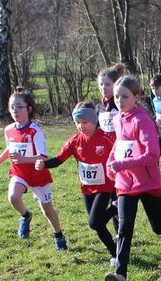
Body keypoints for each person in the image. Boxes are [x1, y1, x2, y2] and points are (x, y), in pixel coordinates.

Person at [105, 75, 161, 281]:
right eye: (117, 97)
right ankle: (120, 277)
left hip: (147, 182)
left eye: (125, 97)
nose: (119, 101)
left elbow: (152, 155)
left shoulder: (143, 121)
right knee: (124, 228)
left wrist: (121, 164)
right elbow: (119, 144)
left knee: (158, 227)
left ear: (136, 97)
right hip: (125, 183)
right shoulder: (117, 119)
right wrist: (111, 161)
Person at [0, 89, 68, 250]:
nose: (15, 111)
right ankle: (26, 216)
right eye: (12, 107)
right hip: (19, 173)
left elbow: (43, 157)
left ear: (29, 109)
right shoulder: (8, 129)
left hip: (38, 175)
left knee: (47, 210)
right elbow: (9, 148)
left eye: (19, 107)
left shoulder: (35, 131)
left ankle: (59, 235)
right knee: (13, 197)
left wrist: (24, 159)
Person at [37, 102, 118, 259]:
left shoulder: (106, 138)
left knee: (94, 222)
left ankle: (116, 206)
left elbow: (119, 156)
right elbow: (59, 159)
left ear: (94, 120)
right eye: (77, 122)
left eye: (85, 122)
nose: (81, 126)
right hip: (87, 188)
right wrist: (44, 164)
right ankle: (115, 254)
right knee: (98, 225)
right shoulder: (75, 141)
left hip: (105, 186)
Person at [96, 63, 125, 135]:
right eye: (101, 84)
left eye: (107, 84)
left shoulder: (123, 104)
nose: (103, 88)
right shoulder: (99, 107)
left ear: (116, 84)